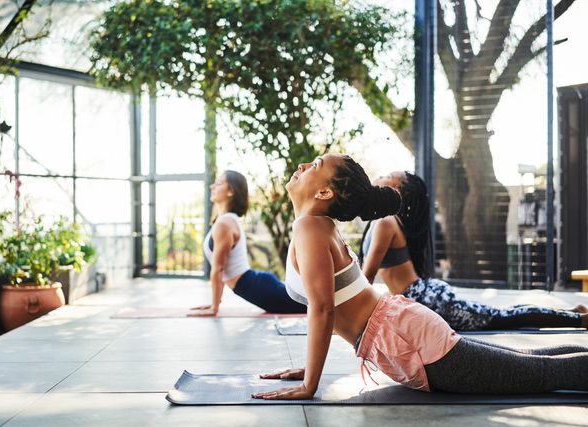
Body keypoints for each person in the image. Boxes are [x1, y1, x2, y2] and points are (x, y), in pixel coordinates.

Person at [252, 154, 588, 400]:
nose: (302, 167)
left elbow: (324, 308)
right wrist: (310, 370)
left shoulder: (310, 227)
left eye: (314, 165)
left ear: (325, 193)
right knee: (530, 364)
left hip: (408, 337)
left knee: (539, 373)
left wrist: (310, 383)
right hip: (404, 331)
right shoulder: (316, 227)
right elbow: (331, 304)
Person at [359, 171, 588, 331]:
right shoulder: (383, 221)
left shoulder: (386, 222)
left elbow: (366, 276)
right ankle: (571, 312)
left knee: (503, 318)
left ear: (396, 188)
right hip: (422, 297)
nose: (381, 175)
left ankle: (578, 319)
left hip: (426, 300)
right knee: (501, 314)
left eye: (389, 175)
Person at [189, 170, 306, 316]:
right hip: (256, 285)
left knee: (313, 305)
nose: (212, 186)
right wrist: (214, 304)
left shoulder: (225, 224)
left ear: (231, 191)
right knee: (310, 303)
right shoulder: (225, 220)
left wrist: (214, 307)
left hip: (258, 287)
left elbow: (218, 269)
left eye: (218, 183)